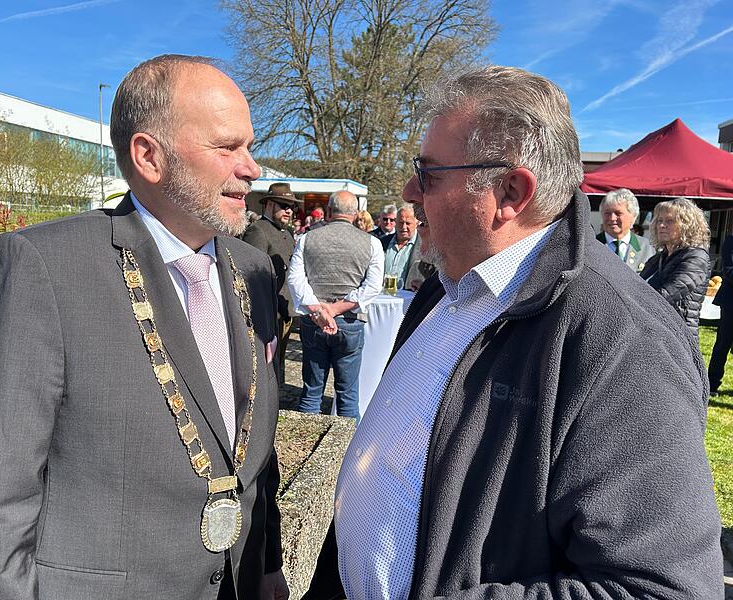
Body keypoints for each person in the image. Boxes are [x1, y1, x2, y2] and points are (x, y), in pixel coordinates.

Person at [304, 65, 722, 599]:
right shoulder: (449, 284)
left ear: (510, 191)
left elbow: (661, 589)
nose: (409, 190)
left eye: (427, 173)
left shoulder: (624, 339)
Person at [0, 55, 288, 600]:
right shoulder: (41, 267)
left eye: (248, 147)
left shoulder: (256, 272)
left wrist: (267, 563)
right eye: (227, 148)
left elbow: (250, 450)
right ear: (149, 156)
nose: (252, 168)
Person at [287, 191, 383, 421]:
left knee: (311, 392)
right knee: (348, 396)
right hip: (349, 322)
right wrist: (336, 309)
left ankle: (307, 448)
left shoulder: (307, 238)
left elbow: (295, 280)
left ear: (329, 211)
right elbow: (373, 286)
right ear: (356, 214)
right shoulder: (372, 243)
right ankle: (350, 452)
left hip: (314, 322)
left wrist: (320, 311)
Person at [243, 182, 301, 385]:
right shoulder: (258, 230)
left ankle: (276, 400)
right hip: (268, 310)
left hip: (284, 308)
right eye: (283, 205)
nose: (289, 211)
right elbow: (252, 275)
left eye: (292, 207)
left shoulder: (286, 232)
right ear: (268, 205)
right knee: (265, 365)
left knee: (278, 363)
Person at [640, 197, 711, 339]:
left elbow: (667, 295)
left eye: (669, 221)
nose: (661, 225)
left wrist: (632, 303)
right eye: (659, 220)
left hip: (678, 337)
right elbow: (638, 285)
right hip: (654, 332)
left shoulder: (697, 258)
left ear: (687, 225)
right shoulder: (658, 258)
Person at [596, 188, 654, 272]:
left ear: (633, 216)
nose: (612, 218)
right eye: (607, 213)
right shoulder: (591, 245)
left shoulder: (647, 247)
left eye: (618, 213)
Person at [381, 204, 434, 291]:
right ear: (396, 222)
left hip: (408, 299)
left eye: (408, 223)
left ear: (416, 223)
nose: (404, 227)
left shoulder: (426, 246)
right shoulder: (383, 243)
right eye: (401, 222)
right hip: (382, 298)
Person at [709, 233, 733, 396]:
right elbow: (729, 270)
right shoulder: (730, 241)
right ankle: (712, 383)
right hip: (730, 301)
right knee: (722, 344)